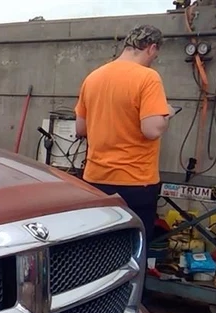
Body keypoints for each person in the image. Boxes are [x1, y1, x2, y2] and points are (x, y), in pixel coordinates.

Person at [75, 24, 175, 248]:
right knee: (132, 252)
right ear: (151, 48)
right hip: (135, 183)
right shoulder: (148, 78)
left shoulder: (93, 77)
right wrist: (167, 114)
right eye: (155, 54)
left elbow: (81, 129)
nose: (154, 59)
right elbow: (151, 130)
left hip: (95, 181)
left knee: (98, 248)